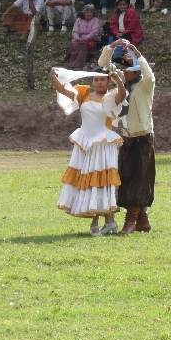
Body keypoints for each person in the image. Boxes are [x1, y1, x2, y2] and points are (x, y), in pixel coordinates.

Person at [50, 65, 127, 236]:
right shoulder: (84, 95)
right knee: (89, 180)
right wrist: (54, 76)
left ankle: (97, 222)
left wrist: (118, 81)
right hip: (85, 142)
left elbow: (121, 95)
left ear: (108, 81)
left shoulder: (111, 97)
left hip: (102, 143)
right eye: (96, 79)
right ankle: (109, 221)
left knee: (100, 181)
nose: (99, 83)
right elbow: (62, 89)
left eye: (102, 79)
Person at [98, 40, 155, 235]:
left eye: (128, 68)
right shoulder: (125, 82)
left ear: (137, 71)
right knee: (127, 178)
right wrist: (113, 46)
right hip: (127, 137)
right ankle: (143, 221)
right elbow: (103, 63)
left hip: (143, 137)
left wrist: (136, 51)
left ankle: (131, 220)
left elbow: (150, 73)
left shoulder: (146, 85)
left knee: (140, 179)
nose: (124, 71)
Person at [63, 4, 101, 69]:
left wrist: (85, 39)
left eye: (91, 12)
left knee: (83, 44)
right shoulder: (79, 20)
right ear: (83, 13)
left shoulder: (96, 20)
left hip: (92, 39)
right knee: (74, 42)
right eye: (87, 12)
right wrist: (77, 38)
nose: (89, 14)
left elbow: (95, 32)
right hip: (80, 39)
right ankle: (73, 62)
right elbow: (75, 31)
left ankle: (78, 64)